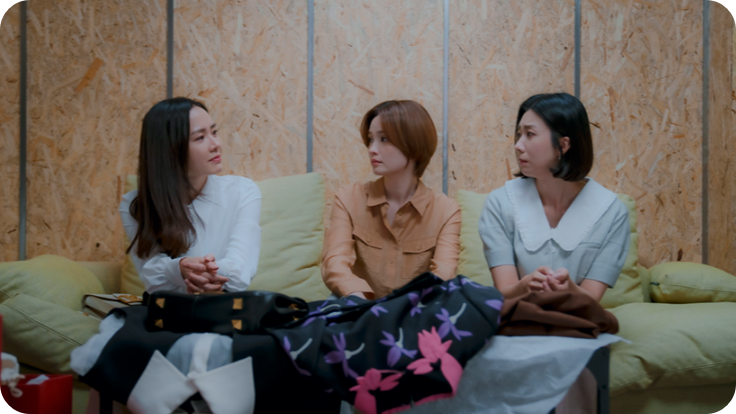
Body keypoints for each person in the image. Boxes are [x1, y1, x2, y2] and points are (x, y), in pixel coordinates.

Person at [479, 92, 630, 302]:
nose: (518, 145)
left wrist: (570, 289)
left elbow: (591, 300)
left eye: (530, 134)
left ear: (563, 145)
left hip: (576, 319)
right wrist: (524, 286)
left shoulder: (612, 212)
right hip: (516, 317)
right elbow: (504, 293)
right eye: (519, 134)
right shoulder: (499, 203)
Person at [322, 100, 462, 300]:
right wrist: (360, 301)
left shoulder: (446, 211)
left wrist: (400, 311)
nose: (372, 149)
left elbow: (443, 274)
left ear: (413, 143)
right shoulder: (348, 198)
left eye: (384, 139)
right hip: (357, 307)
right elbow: (335, 264)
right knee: (334, 303)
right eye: (371, 139)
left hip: (415, 310)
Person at [120, 97, 262, 294]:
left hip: (226, 306)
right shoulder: (134, 205)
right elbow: (153, 281)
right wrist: (180, 268)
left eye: (214, 132)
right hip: (169, 309)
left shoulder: (243, 191)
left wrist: (195, 270)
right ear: (170, 149)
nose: (216, 144)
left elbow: (239, 273)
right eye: (200, 137)